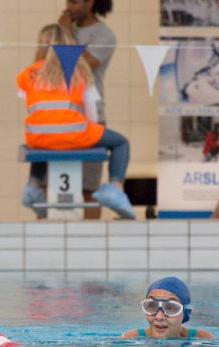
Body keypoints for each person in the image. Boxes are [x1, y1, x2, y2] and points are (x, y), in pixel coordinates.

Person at [19, 24, 134, 220]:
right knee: (121, 142)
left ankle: (33, 185)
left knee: (46, 136)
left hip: (37, 137)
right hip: (75, 134)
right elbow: (93, 117)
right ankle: (115, 188)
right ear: (70, 46)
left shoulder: (27, 74)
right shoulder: (80, 70)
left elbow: (31, 104)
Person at [56, 0, 117, 219]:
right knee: (52, 184)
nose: (68, 6)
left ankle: (92, 240)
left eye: (74, 1)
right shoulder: (61, 30)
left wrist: (65, 34)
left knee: (89, 186)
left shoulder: (104, 36)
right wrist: (61, 33)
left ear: (90, 2)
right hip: (60, 116)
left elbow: (79, 66)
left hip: (90, 118)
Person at [121, 277, 215, 339]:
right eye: (152, 306)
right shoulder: (131, 337)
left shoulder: (202, 338)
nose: (159, 317)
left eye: (170, 308)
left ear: (185, 313)